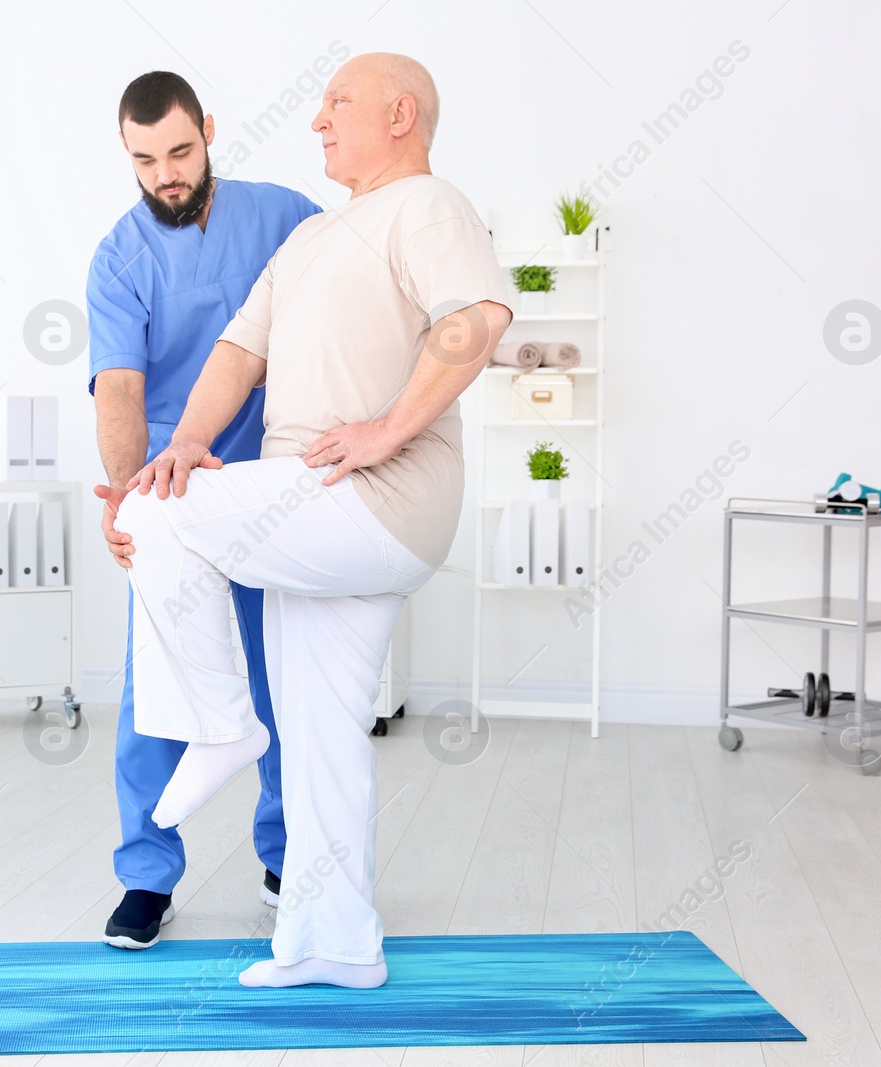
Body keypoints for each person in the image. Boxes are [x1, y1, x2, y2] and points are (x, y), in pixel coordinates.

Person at [113, 52, 514, 988]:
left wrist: (388, 428)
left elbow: (479, 318)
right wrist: (187, 441)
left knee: (157, 515)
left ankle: (218, 722)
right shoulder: (310, 241)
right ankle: (332, 940)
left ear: (401, 114)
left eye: (338, 103)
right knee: (324, 736)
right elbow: (234, 353)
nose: (318, 121)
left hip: (368, 497)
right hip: (325, 516)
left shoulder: (426, 205)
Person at [86, 71, 321, 950]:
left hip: (271, 485)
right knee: (157, 683)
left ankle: (287, 850)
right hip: (172, 494)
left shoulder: (287, 216)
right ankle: (147, 873)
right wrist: (122, 498)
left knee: (278, 673)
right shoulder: (120, 257)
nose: (166, 175)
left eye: (180, 152)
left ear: (210, 132)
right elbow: (118, 388)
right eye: (145, 160)